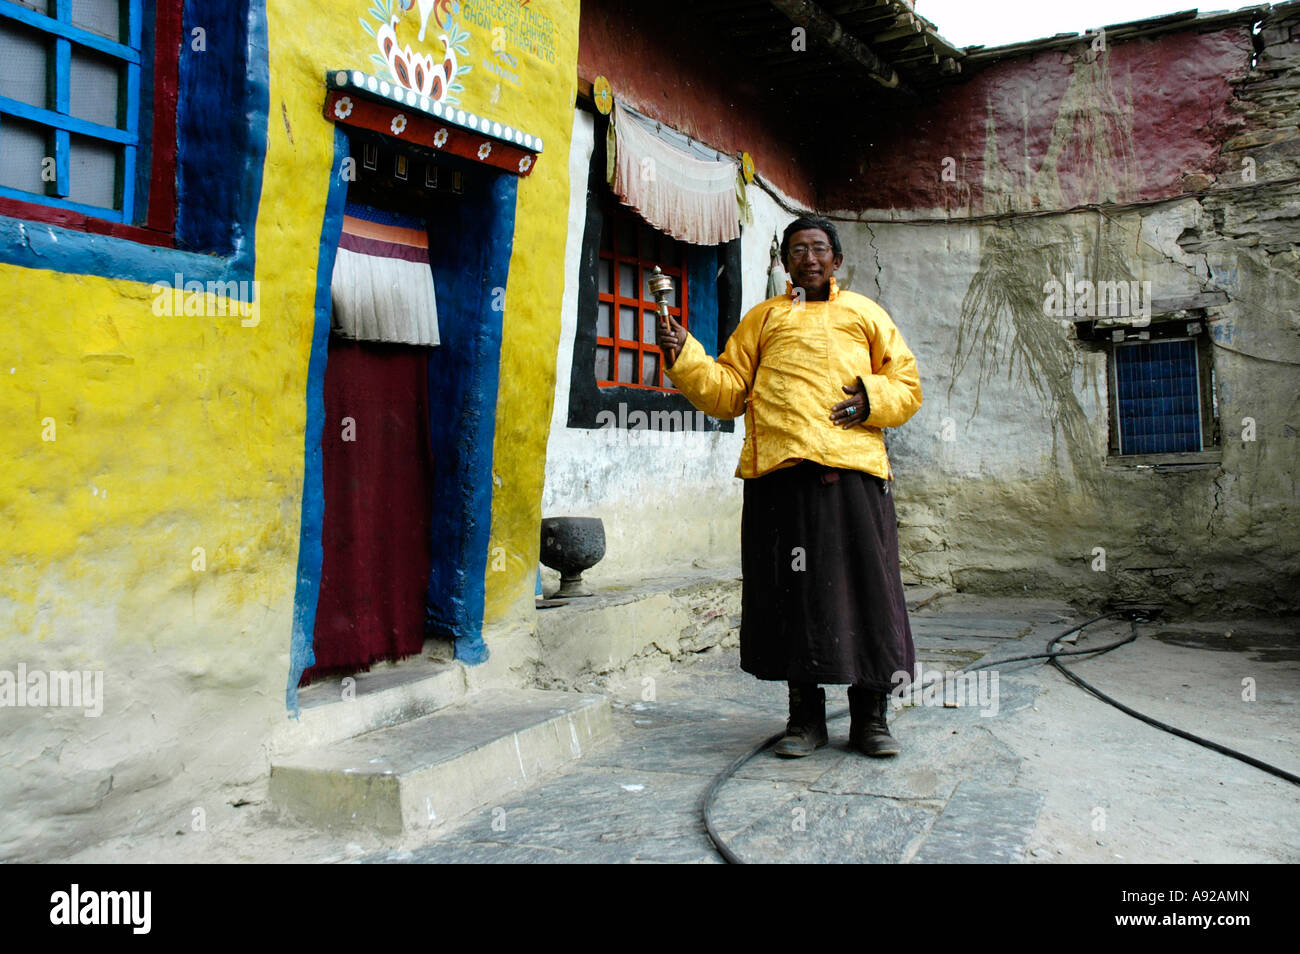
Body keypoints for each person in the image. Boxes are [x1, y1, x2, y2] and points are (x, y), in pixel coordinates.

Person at [656, 215, 922, 758]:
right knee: (794, 597)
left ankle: (871, 720)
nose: (809, 258)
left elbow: (908, 385)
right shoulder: (764, 319)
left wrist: (872, 400)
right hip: (779, 479)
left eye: (819, 249)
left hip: (854, 476)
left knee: (866, 594)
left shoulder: (864, 315)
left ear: (838, 260)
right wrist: (685, 354)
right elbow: (729, 392)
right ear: (784, 262)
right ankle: (805, 720)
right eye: (797, 250)